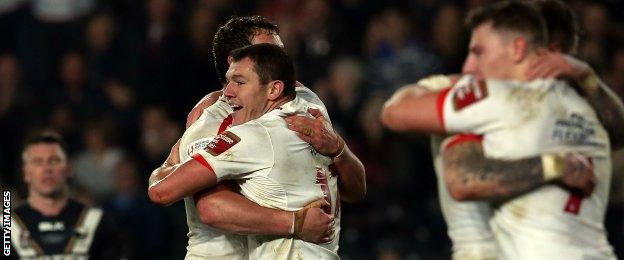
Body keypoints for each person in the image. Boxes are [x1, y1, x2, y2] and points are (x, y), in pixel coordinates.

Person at [381, 0, 617, 259]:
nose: (469, 67)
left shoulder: (495, 97)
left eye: (480, 52)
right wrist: (586, 76)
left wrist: (444, 84)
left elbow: (394, 113)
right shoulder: (592, 111)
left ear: (525, 48)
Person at [148, 16, 365, 259]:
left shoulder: (307, 102)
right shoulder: (214, 126)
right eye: (268, 51)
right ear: (235, 61)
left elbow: (354, 191)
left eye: (281, 51)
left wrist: (340, 149)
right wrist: (296, 223)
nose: (281, 60)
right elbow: (209, 206)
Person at [9, 131, 120, 259]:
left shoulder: (97, 221)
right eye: (38, 162)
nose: (47, 169)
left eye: (54, 160)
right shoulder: (6, 224)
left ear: (68, 169)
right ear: (26, 173)